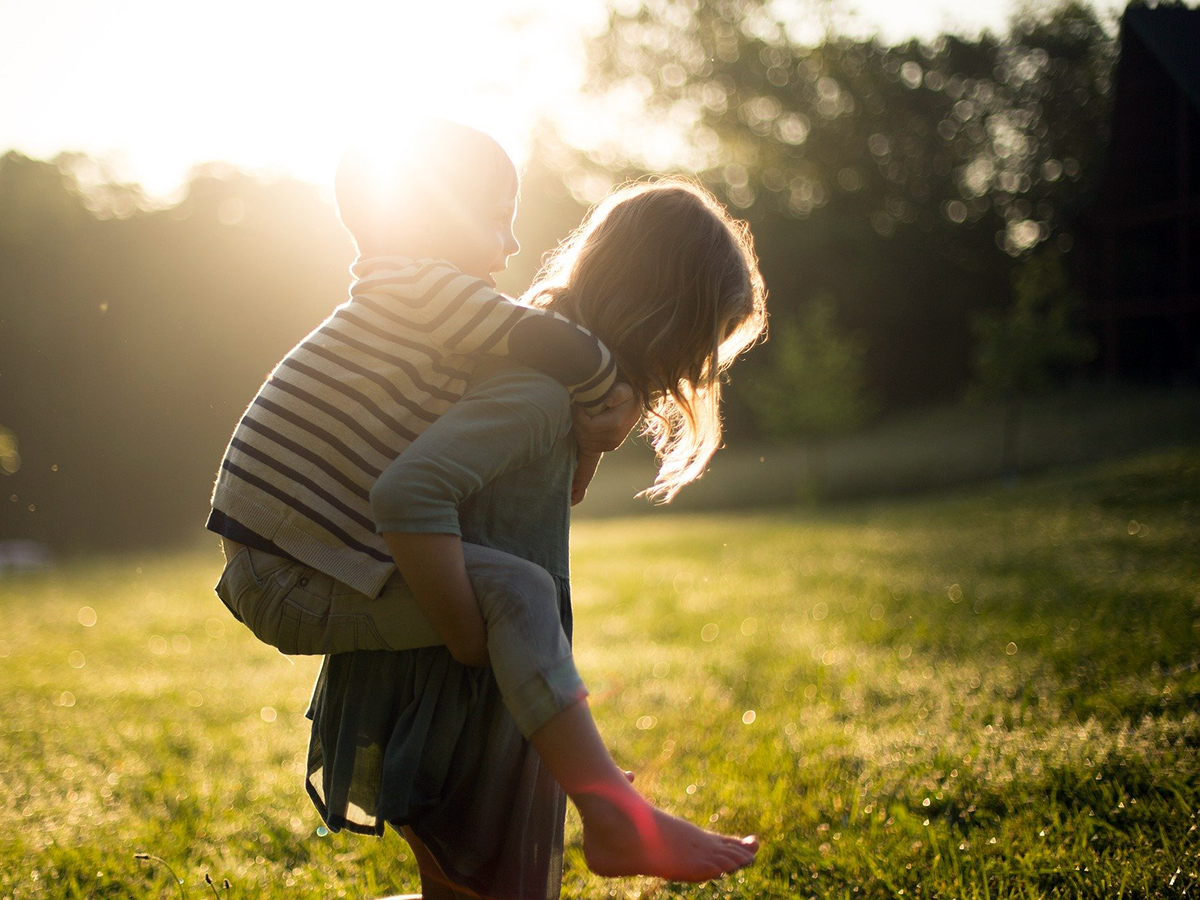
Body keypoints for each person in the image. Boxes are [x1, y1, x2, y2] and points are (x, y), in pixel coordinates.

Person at [306, 179, 769, 899]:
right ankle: (616, 819)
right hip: (457, 687)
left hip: (483, 678)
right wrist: (465, 636)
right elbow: (408, 493)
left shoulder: (553, 384)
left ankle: (612, 813)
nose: (696, 368)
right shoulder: (538, 391)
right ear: (663, 318)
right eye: (701, 341)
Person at [207, 119, 641, 747]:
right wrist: (613, 394)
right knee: (518, 594)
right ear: (429, 220)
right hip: (287, 575)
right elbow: (552, 343)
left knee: (510, 591)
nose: (514, 242)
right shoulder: (423, 290)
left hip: (284, 563)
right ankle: (577, 771)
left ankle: (561, 761)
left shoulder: (413, 298)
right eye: (497, 218)